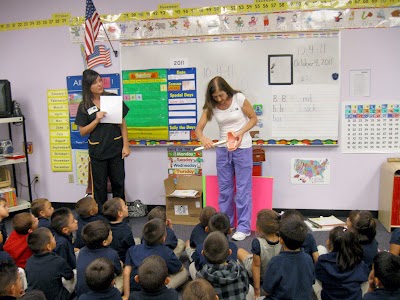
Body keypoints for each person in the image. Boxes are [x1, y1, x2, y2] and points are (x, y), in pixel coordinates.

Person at [195, 76, 257, 241]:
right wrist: (204, 139)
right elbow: (198, 130)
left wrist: (241, 132)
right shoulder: (211, 105)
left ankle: (244, 227)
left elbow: (253, 118)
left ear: (227, 90)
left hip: (242, 147)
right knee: (225, 189)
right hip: (223, 148)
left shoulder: (239, 98)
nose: (219, 99)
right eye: (215, 97)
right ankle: (226, 224)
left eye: (221, 95)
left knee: (243, 189)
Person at [75, 69, 131, 213]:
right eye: (95, 82)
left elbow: (122, 123)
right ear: (88, 86)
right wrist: (96, 120)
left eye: (100, 80)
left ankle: (120, 213)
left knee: (118, 183)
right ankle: (102, 217)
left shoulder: (112, 98)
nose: (99, 84)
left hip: (115, 148)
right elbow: (82, 132)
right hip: (97, 151)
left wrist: (126, 145)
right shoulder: (84, 105)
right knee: (99, 187)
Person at [122, 218, 187, 299]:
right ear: (163, 239)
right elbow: (180, 268)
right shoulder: (166, 252)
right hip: (159, 286)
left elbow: (126, 273)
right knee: (184, 272)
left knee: (136, 240)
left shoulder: (132, 250)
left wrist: (126, 295)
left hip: (137, 288)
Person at [262, 216, 314, 299]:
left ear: (281, 240)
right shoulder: (308, 259)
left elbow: (266, 291)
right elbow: (311, 282)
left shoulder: (276, 261)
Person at [315, 226, 369, 300]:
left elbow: (317, 274)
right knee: (366, 281)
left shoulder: (323, 261)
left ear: (331, 243)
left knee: (320, 249)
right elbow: (365, 276)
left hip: (328, 297)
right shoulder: (359, 263)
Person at [237, 209, 281, 298]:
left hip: (259, 274)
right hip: (274, 274)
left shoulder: (257, 242)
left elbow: (256, 266)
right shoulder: (282, 240)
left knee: (240, 251)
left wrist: (257, 290)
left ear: (259, 228)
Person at [197, 231, 251, 300]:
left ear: (203, 253)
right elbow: (246, 289)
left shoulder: (201, 275)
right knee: (251, 290)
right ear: (229, 252)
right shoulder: (239, 269)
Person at [75, 220, 122, 298]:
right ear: (104, 242)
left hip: (82, 294)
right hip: (103, 290)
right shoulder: (112, 254)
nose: (112, 234)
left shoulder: (81, 251)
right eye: (110, 233)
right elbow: (118, 271)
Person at [25, 227, 74, 300]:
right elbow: (69, 275)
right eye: (52, 238)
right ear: (48, 247)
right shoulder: (58, 261)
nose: (55, 238)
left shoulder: (29, 261)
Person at [190, 212, 238, 280]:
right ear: (230, 231)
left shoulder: (200, 247)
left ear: (207, 229)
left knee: (192, 266)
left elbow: (197, 265)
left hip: (207, 281)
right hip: (228, 277)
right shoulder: (233, 247)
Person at [103, 197, 135, 263]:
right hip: (123, 260)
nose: (127, 207)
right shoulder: (126, 230)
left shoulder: (104, 226)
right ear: (120, 213)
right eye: (124, 206)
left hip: (106, 258)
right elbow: (131, 248)